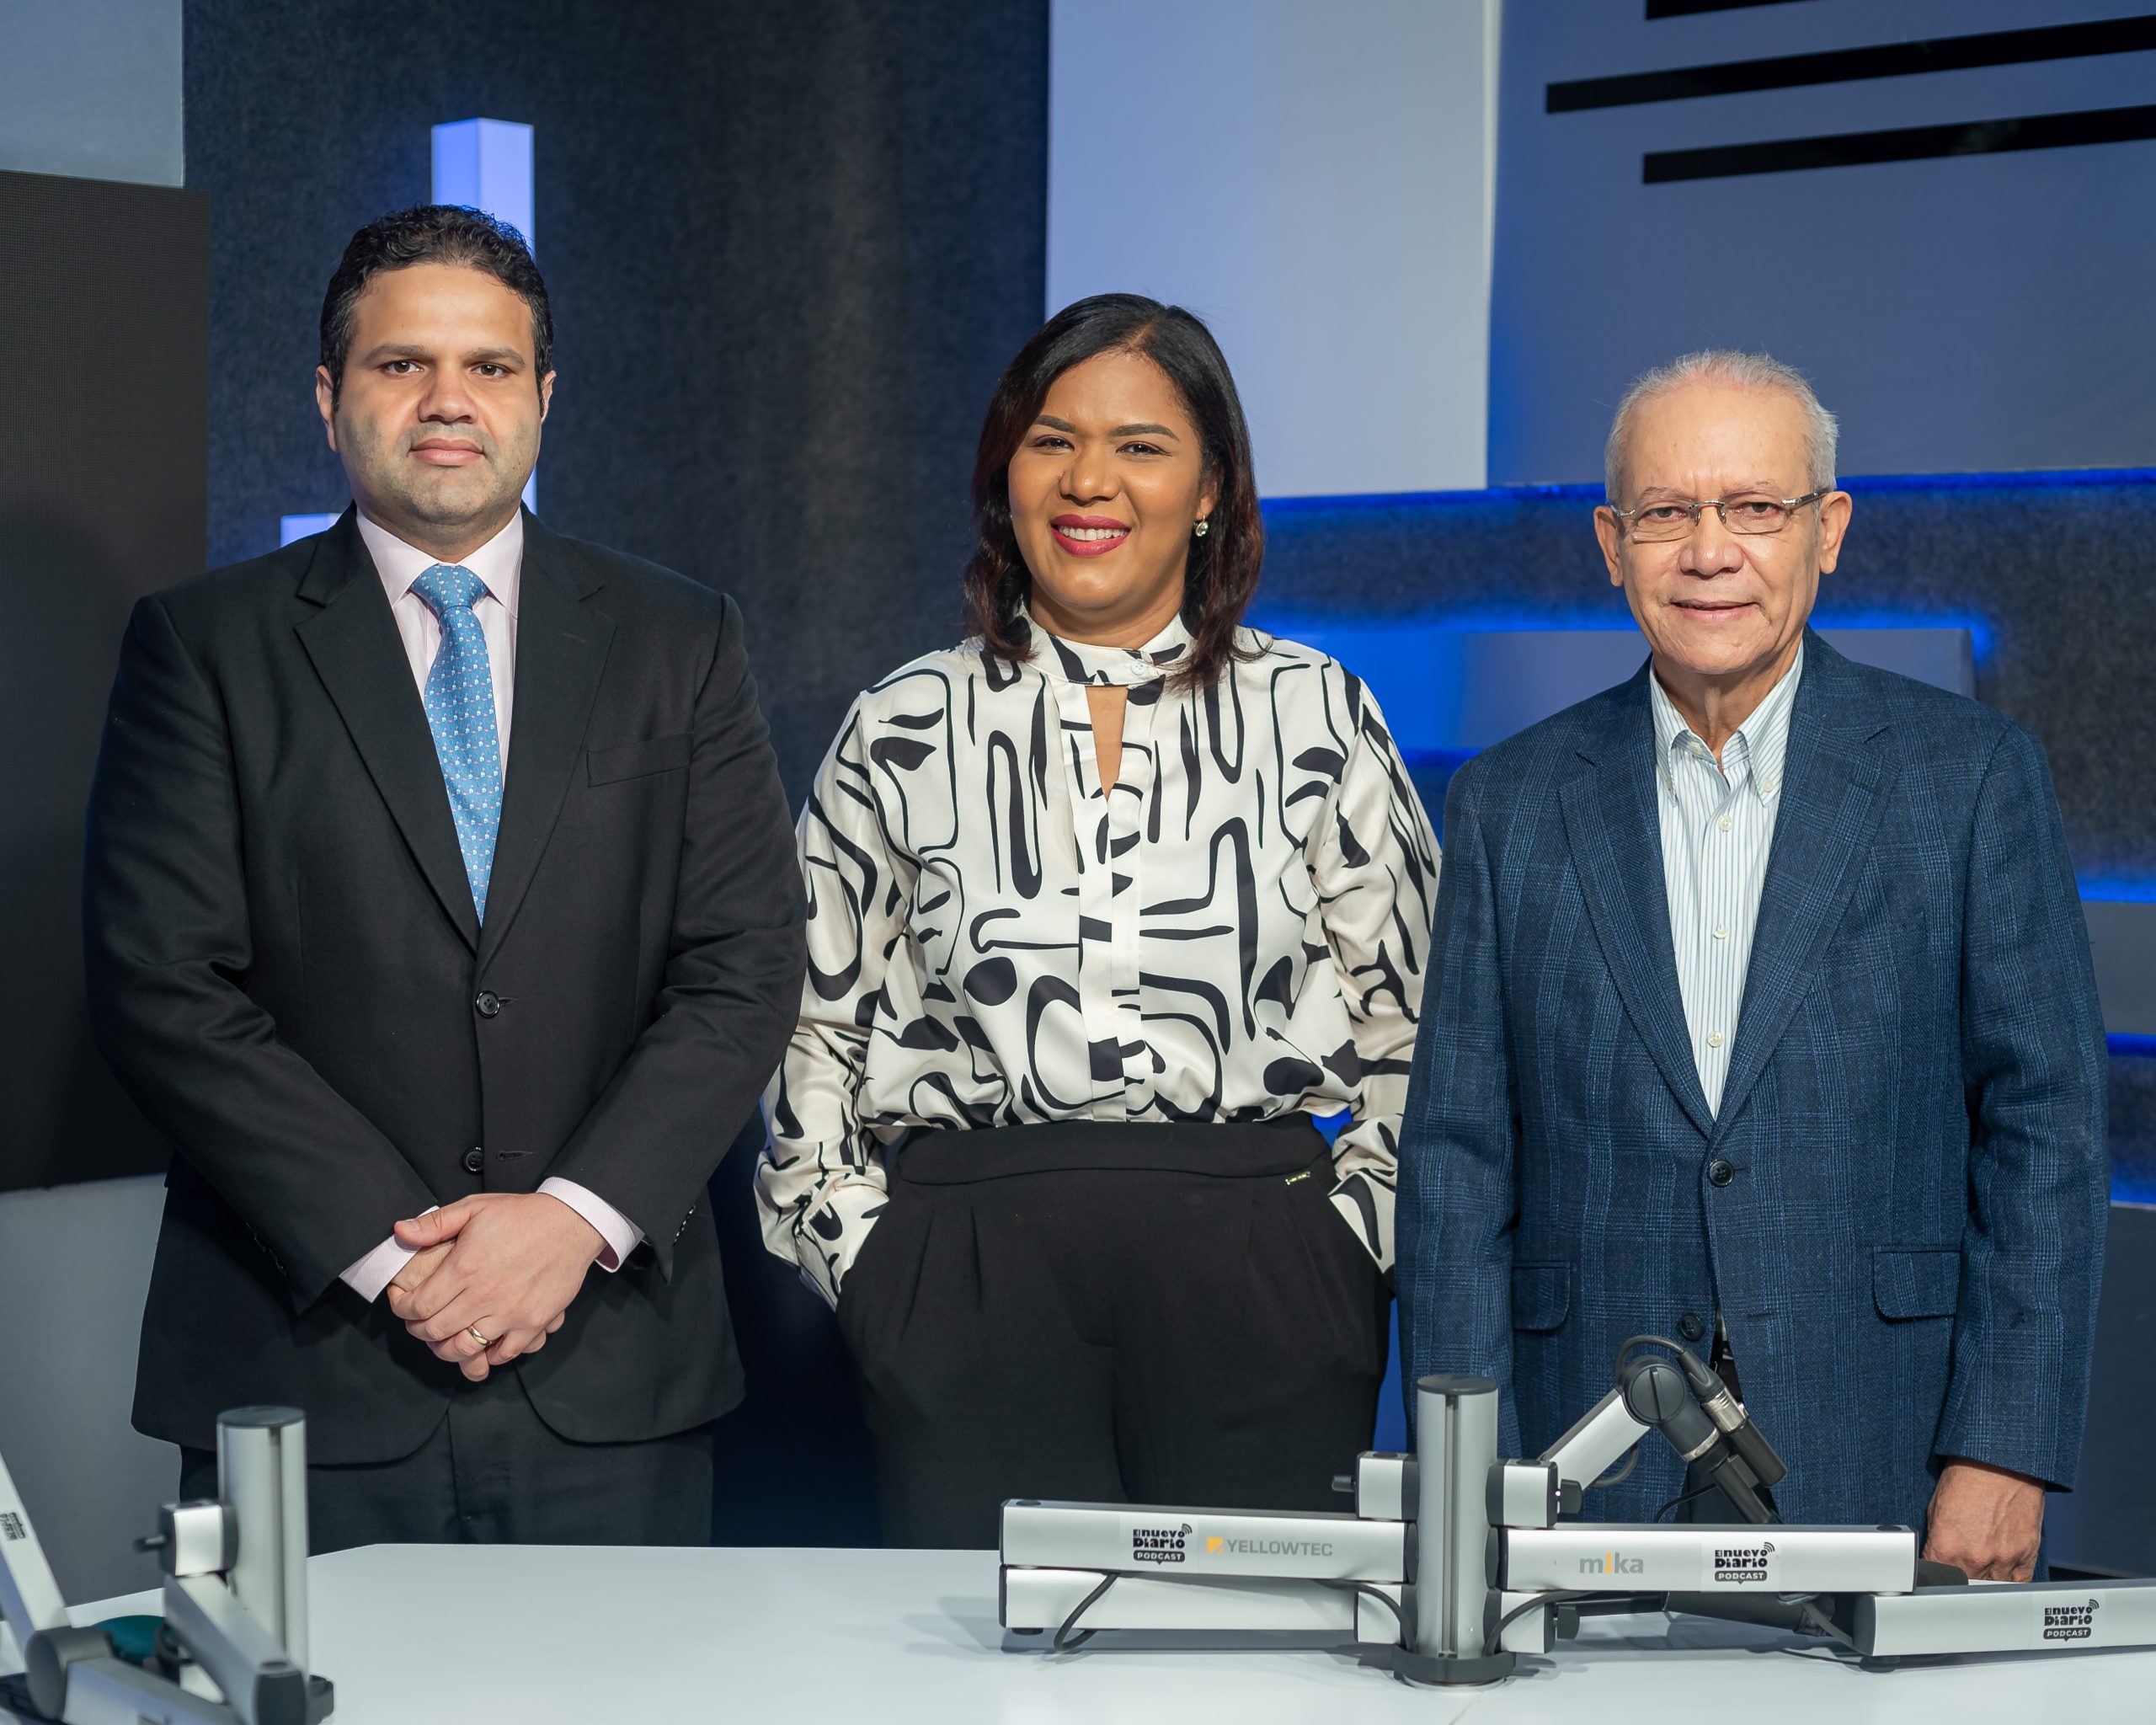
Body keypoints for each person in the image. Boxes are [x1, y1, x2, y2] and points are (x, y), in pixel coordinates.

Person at [83, 206, 805, 1550]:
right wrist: (399, 1256)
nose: (448, 401)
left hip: (608, 1365)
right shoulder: (203, 646)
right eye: (401, 363)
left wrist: (571, 1224)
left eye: (488, 365)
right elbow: (163, 987)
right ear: (328, 396)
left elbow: (745, 965)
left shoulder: (681, 638)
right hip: (305, 1366)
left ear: (545, 397)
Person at [1396, 350, 2108, 1581]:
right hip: (1583, 1460)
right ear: (1611, 545)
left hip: (1886, 1439)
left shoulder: (1969, 777)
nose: (1709, 552)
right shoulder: (1511, 802)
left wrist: (2005, 1451)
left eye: (1755, 508)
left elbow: (2046, 1127)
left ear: (1828, 532)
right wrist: (1475, 1482)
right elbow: (1457, 1164)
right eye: (1668, 513)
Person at [756, 294, 1439, 1547]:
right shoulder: (900, 723)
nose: (1089, 482)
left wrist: (1350, 1246)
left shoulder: (1315, 711)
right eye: (1052, 440)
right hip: (963, 1271)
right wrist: (866, 1261)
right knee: (987, 1646)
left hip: (1267, 1270)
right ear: (1005, 474)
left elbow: (1419, 1026)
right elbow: (811, 1031)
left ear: (1211, 489)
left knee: (1251, 1648)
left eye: (1141, 445)